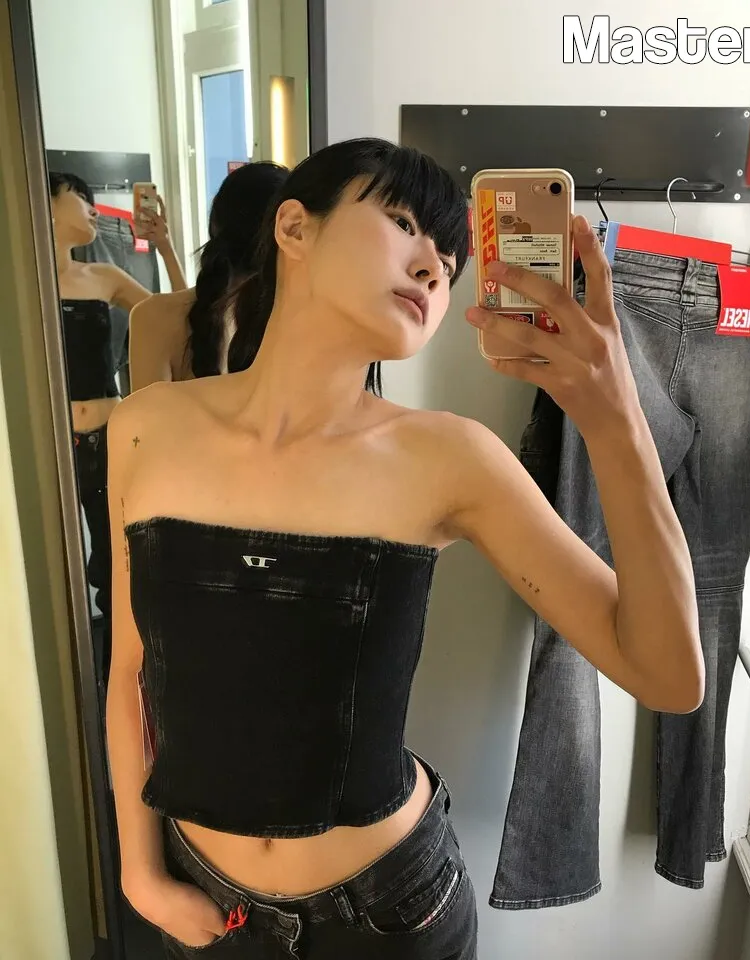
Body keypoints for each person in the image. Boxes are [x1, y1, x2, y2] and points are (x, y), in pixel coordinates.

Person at [105, 138, 704, 959]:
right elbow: (130, 673)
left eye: (450, 264)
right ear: (294, 227)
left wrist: (615, 417)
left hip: (389, 917)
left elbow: (669, 676)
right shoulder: (148, 427)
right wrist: (141, 874)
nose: (432, 268)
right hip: (205, 906)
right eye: (402, 223)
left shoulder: (451, 458)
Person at [49, 172, 184, 687]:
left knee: (113, 563)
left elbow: (179, 315)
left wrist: (165, 246)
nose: (92, 209)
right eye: (80, 198)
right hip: (47, 445)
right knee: (49, 564)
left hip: (108, 437)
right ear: (46, 201)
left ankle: (113, 687)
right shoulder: (19, 282)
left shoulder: (102, 276)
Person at [128, 162, 289, 391]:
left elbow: (147, 418)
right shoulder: (301, 323)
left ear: (214, 225)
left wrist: (166, 247)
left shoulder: (153, 317)